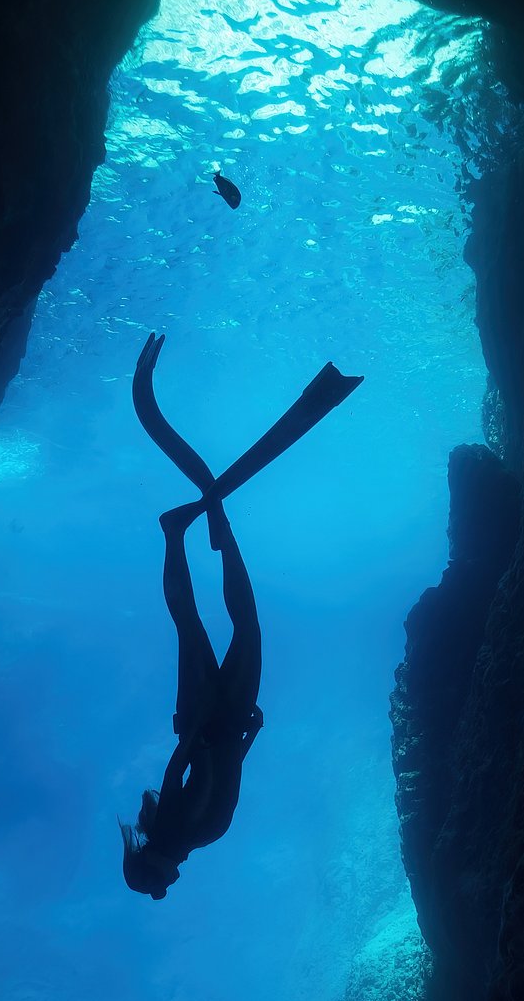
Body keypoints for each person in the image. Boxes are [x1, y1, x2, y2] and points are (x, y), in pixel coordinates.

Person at [121, 333, 363, 899]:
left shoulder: (183, 832)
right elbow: (224, 778)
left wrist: (210, 724)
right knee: (236, 624)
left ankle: (183, 532)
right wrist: (249, 734)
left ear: (152, 864)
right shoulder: (198, 837)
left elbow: (177, 772)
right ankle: (203, 529)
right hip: (225, 719)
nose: (170, 880)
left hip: (207, 717)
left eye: (159, 880)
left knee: (202, 624)